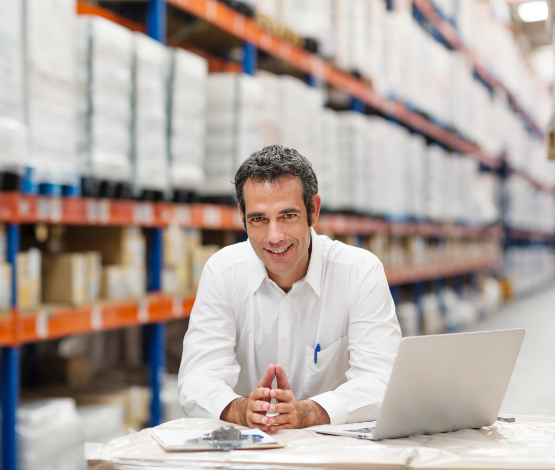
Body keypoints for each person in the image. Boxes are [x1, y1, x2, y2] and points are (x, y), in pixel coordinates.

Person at [178, 145, 401, 431]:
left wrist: (308, 412)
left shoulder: (359, 273)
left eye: (288, 216)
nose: (274, 236)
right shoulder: (222, 273)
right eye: (258, 219)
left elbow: (383, 380)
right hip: (251, 452)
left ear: (314, 211)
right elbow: (197, 379)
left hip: (335, 452)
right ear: (242, 216)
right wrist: (243, 409)